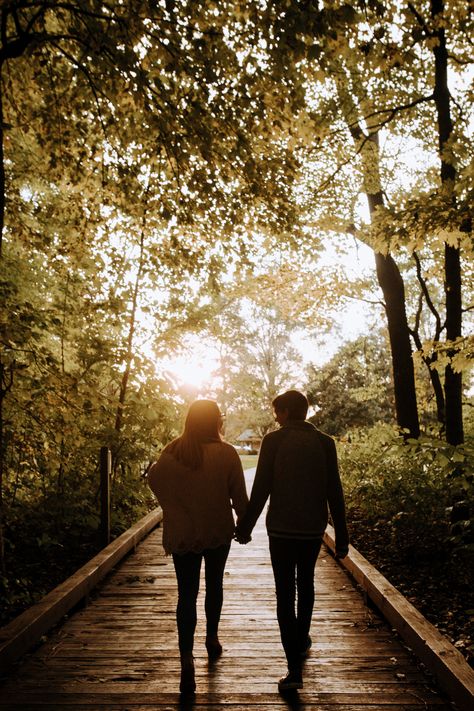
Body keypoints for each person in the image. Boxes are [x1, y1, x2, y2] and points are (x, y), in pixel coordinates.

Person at [235, 390, 349, 692]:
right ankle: (302, 640)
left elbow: (260, 490)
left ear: (285, 412)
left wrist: (245, 527)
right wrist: (343, 538)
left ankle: (294, 669)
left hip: (282, 530)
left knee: (285, 595)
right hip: (312, 529)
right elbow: (333, 490)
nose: (274, 417)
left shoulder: (273, 441)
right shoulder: (325, 443)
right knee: (306, 584)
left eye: (276, 411)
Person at [147, 399, 248, 695]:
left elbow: (155, 482)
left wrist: (175, 508)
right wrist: (243, 527)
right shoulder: (226, 453)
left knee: (186, 594)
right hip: (217, 530)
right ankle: (212, 639)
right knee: (214, 585)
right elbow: (241, 500)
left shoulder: (172, 452)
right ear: (216, 420)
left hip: (182, 534)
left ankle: (186, 660)